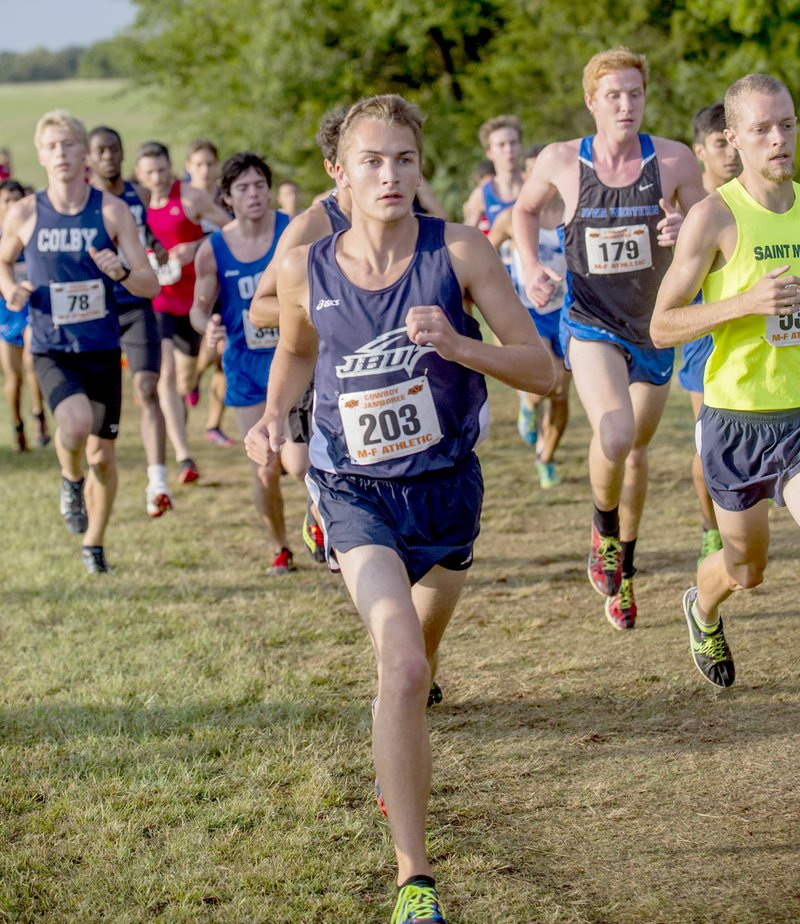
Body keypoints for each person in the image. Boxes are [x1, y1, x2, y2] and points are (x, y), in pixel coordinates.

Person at [245, 94, 555, 924]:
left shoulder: (458, 250)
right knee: (404, 665)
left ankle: (401, 727)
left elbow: (544, 369)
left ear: (421, 168)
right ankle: (414, 880)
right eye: (372, 162)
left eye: (404, 161)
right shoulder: (306, 264)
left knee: (420, 652)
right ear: (337, 175)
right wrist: (275, 415)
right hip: (353, 493)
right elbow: (299, 351)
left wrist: (458, 345)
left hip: (447, 490)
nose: (389, 176)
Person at [513, 47, 705, 630]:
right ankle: (602, 530)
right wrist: (529, 265)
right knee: (615, 432)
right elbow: (523, 212)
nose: (626, 105)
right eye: (614, 96)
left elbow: (708, 230)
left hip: (654, 326)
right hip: (591, 322)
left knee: (636, 450)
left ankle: (625, 564)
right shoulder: (561, 161)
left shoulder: (672, 162)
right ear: (592, 102)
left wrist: (681, 229)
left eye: (635, 94)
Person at [651, 74, 800, 689]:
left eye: (787, 124)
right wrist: (745, 301)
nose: (779, 140)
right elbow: (662, 326)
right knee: (746, 570)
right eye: (762, 129)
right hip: (736, 422)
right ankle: (702, 605)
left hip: (798, 418)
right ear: (733, 138)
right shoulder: (714, 217)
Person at [0, 110, 159, 573]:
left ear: (83, 152)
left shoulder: (110, 211)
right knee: (73, 422)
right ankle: (70, 481)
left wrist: (122, 272)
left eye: (68, 145)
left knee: (103, 456)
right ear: (40, 156)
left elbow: (149, 285)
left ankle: (94, 542)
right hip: (50, 345)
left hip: (101, 348)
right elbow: (2, 262)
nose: (61, 154)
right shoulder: (25, 212)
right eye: (51, 147)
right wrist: (9, 288)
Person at [249, 104, 353, 564]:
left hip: (382, 369)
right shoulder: (313, 225)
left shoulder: (404, 217)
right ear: (337, 168)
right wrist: (330, 311)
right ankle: (320, 502)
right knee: (299, 464)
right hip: (322, 368)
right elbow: (260, 307)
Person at [190, 152, 300, 574]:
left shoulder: (292, 231)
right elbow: (199, 309)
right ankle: (280, 545)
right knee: (265, 466)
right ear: (227, 199)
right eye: (242, 188)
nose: (253, 195)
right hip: (245, 370)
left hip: (297, 361)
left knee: (299, 463)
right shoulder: (213, 249)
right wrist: (208, 327)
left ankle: (321, 521)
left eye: (259, 186)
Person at [88, 125, 172, 517]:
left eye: (115, 149)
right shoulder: (86, 203)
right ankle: (88, 471)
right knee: (97, 406)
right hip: (98, 307)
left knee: (148, 387)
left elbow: (149, 235)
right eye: (101, 150)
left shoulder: (137, 193)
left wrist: (160, 251)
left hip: (136, 302)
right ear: (89, 158)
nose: (109, 156)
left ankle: (157, 482)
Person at [136, 140, 230, 484]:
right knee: (167, 379)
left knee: (186, 379)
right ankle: (183, 457)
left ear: (170, 166)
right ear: (139, 174)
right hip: (158, 302)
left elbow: (230, 229)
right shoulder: (137, 205)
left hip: (195, 301)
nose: (157, 177)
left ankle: (192, 394)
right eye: (149, 172)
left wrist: (198, 245)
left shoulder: (190, 197)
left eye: (162, 169)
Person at [677, 104, 742, 563]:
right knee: (708, 450)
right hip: (705, 341)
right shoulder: (690, 205)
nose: (730, 153)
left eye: (732, 141)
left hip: (762, 338)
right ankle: (709, 528)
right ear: (700, 150)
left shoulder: (759, 197)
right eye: (719, 144)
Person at [489, 143, 569, 488]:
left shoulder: (572, 211)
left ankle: (546, 456)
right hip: (528, 313)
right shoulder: (511, 217)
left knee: (563, 394)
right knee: (547, 382)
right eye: (537, 172)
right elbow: (484, 253)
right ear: (527, 177)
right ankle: (529, 404)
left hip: (567, 311)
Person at [185, 138, 234, 447]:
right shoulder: (182, 200)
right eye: (198, 164)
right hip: (186, 289)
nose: (204, 170)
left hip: (222, 284)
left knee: (223, 355)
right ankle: (192, 380)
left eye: (209, 164)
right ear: (188, 167)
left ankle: (214, 424)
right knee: (203, 357)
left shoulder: (226, 200)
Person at [0, 177, 50, 450]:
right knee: (13, 377)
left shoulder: (31, 231)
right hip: (5, 315)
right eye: (5, 201)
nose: (11, 206)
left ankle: (38, 416)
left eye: (16, 200)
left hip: (33, 309)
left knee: (33, 362)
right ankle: (17, 423)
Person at [462, 115, 524, 229]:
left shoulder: (536, 184)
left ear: (520, 145)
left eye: (513, 142)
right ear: (489, 152)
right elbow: (465, 235)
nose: (508, 149)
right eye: (501, 145)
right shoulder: (481, 194)